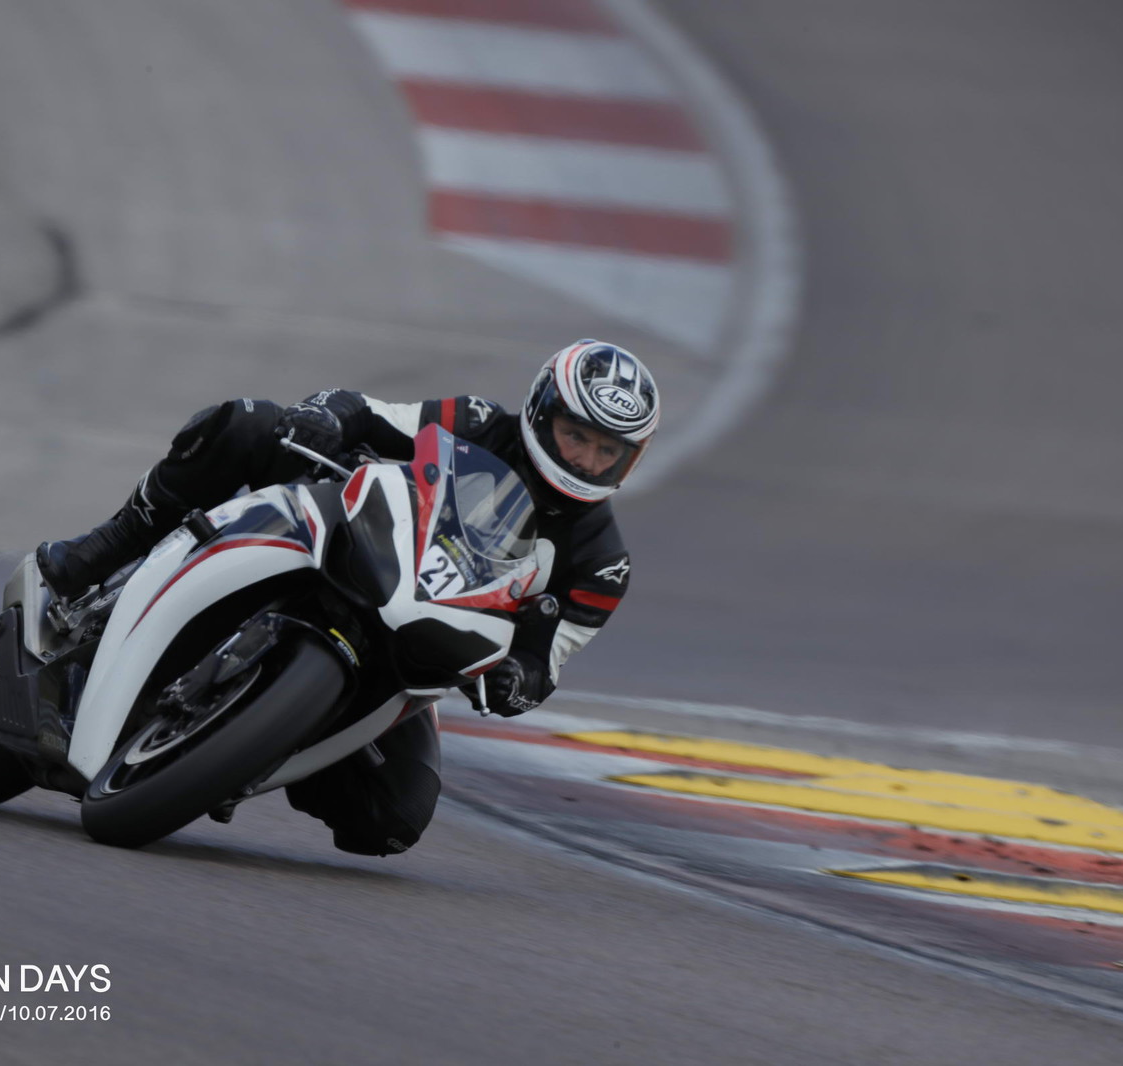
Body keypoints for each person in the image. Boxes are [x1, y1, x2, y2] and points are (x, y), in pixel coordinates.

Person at [38, 339, 660, 856]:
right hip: (361, 547)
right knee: (248, 423)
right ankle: (107, 547)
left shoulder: (602, 565)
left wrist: (515, 681)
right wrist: (327, 416)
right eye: (576, 435)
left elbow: (544, 663)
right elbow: (370, 411)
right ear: (542, 413)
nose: (588, 459)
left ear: (630, 459)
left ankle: (253, 749)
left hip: (415, 649)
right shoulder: (478, 421)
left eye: (608, 450)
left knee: (394, 819)